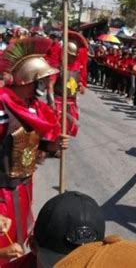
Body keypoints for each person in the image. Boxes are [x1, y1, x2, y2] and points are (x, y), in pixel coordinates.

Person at [0, 37, 67, 264]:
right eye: (35, 83)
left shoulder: (35, 109)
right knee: (4, 247)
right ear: (23, 81)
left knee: (21, 242)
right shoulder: (2, 109)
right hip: (2, 193)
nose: (38, 88)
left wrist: (55, 144)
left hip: (24, 188)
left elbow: (34, 143)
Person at [53, 42, 85, 138]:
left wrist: (80, 85)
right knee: (56, 129)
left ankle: (60, 148)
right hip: (58, 101)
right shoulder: (58, 68)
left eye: (75, 56)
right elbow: (50, 86)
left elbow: (77, 82)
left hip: (71, 103)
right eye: (71, 56)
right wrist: (51, 103)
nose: (74, 58)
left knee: (67, 130)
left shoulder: (77, 69)